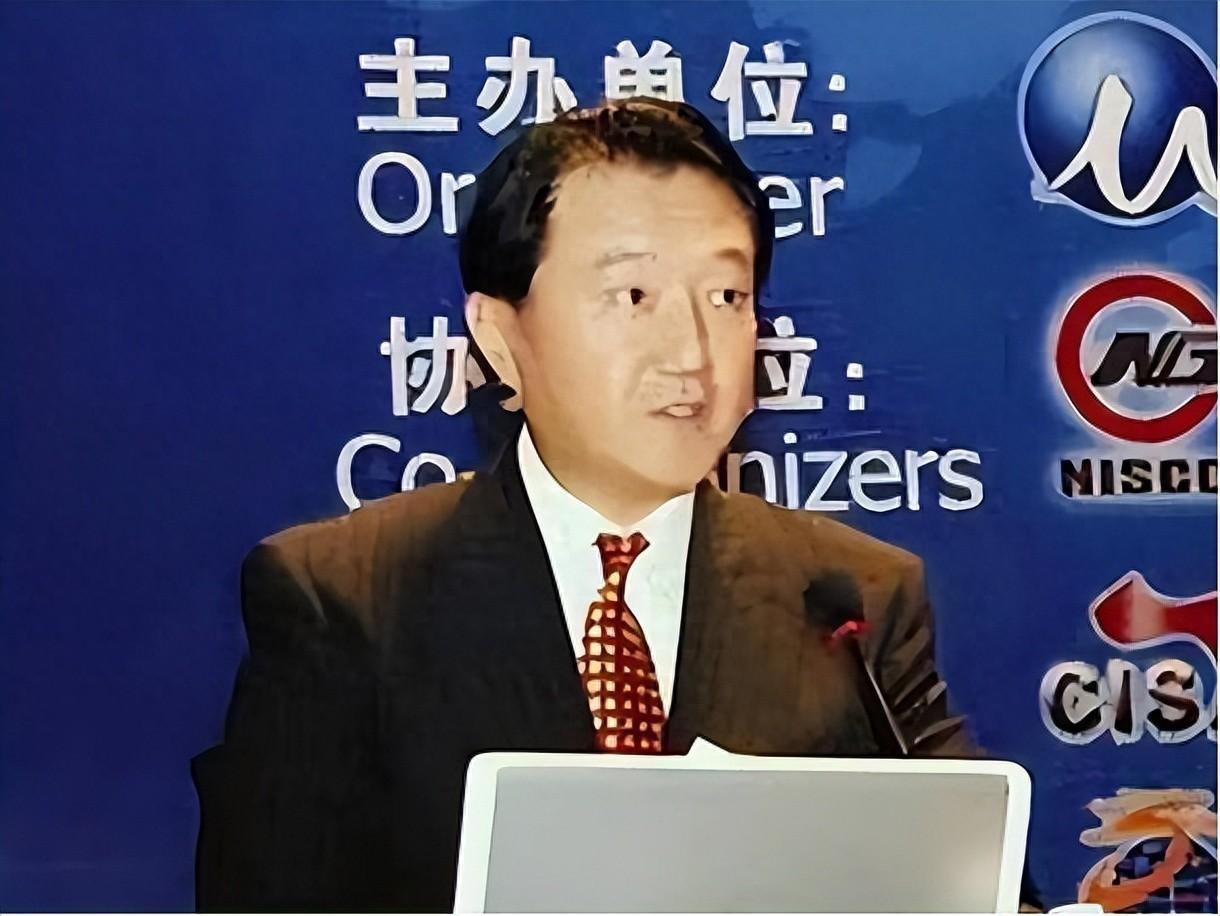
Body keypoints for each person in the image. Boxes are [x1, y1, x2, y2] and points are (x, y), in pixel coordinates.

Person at [192, 97, 976, 912]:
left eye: (727, 296)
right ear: (500, 339)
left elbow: (971, 889)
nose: (691, 352)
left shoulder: (853, 603)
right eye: (633, 295)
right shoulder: (345, 602)